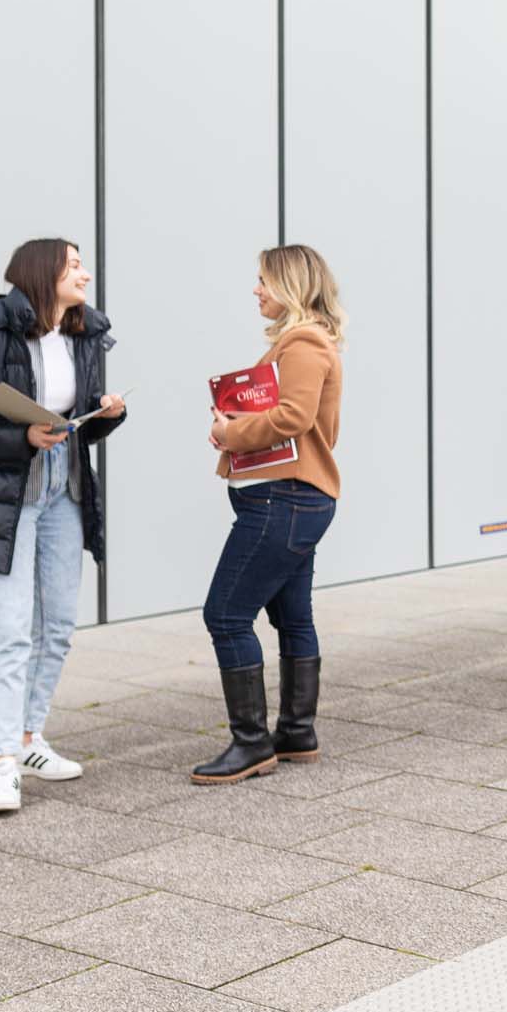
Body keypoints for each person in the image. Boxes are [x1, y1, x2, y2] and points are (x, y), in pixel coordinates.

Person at [0, 238, 128, 814]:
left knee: (59, 626)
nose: (86, 275)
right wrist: (21, 438)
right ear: (45, 274)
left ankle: (29, 736)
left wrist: (107, 415)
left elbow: (78, 423)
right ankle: (2, 765)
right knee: (12, 631)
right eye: (75, 266)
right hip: (5, 499)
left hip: (64, 494)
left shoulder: (83, 331)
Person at [193, 245, 345, 785]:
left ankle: (252, 744)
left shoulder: (303, 342)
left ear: (291, 285)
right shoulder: (305, 340)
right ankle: (296, 734)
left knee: (226, 615)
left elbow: (293, 416)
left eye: (263, 280)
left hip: (284, 499)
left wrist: (228, 431)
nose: (255, 290)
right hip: (296, 499)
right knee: (293, 617)